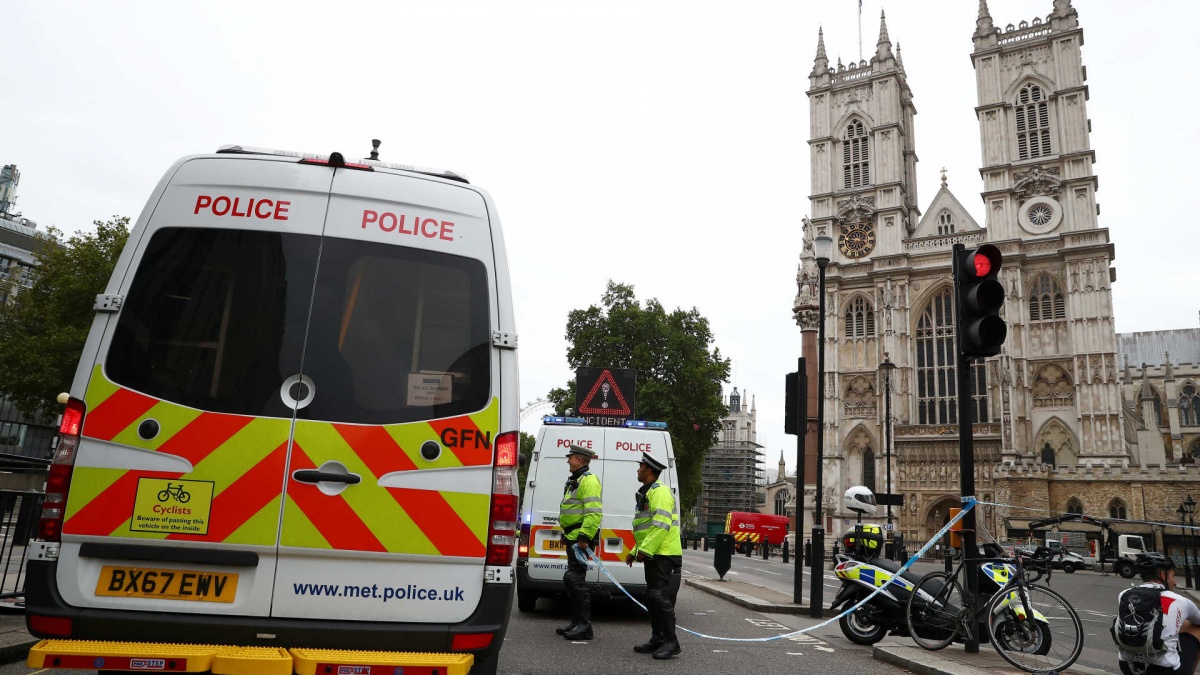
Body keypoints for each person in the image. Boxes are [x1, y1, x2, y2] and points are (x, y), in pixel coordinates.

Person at [625, 452, 683, 660]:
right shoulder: (648, 492)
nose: (638, 470)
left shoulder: (660, 492)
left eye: (640, 467)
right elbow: (645, 528)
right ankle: (658, 639)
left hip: (664, 552)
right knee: (652, 596)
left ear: (648, 470)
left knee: (659, 597)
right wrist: (635, 551)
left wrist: (645, 550)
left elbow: (661, 524)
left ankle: (671, 642)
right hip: (656, 552)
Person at [1117, 552, 1200, 674]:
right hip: (1165, 671)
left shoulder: (1124, 594)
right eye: (1172, 576)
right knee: (1195, 628)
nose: (1174, 582)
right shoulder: (1179, 601)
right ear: (1162, 574)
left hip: (1128, 667)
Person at [556, 444, 602, 641]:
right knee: (573, 580)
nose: (568, 460)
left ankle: (584, 626)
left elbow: (594, 512)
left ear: (580, 460)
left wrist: (584, 537)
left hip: (580, 539)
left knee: (575, 580)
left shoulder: (589, 480)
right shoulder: (576, 480)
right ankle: (576, 623)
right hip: (574, 537)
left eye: (571, 457)